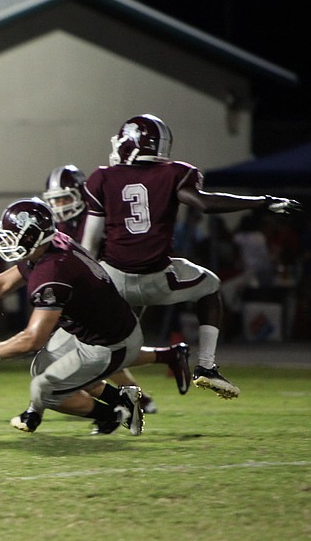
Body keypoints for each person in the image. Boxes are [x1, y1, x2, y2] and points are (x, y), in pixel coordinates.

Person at [81, 113, 300, 399]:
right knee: (209, 285)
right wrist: (263, 201)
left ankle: (110, 402)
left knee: (113, 350)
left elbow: (89, 243)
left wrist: (86, 287)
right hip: (156, 278)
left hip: (113, 278)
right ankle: (206, 366)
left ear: (131, 143)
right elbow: (204, 203)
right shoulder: (174, 173)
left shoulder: (102, 178)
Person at [0, 198, 149, 436]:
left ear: (32, 236)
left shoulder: (53, 272)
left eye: (12, 234)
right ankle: (124, 401)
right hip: (88, 328)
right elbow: (3, 283)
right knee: (42, 370)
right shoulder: (48, 247)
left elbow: (32, 339)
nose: (6, 240)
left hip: (110, 342)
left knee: (44, 389)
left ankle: (116, 413)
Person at [42, 164, 191, 412]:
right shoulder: (63, 227)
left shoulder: (99, 216)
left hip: (120, 287)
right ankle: (151, 381)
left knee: (97, 351)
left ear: (80, 194)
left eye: (65, 199)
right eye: (55, 201)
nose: (60, 207)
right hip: (92, 295)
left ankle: (120, 407)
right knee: (107, 350)